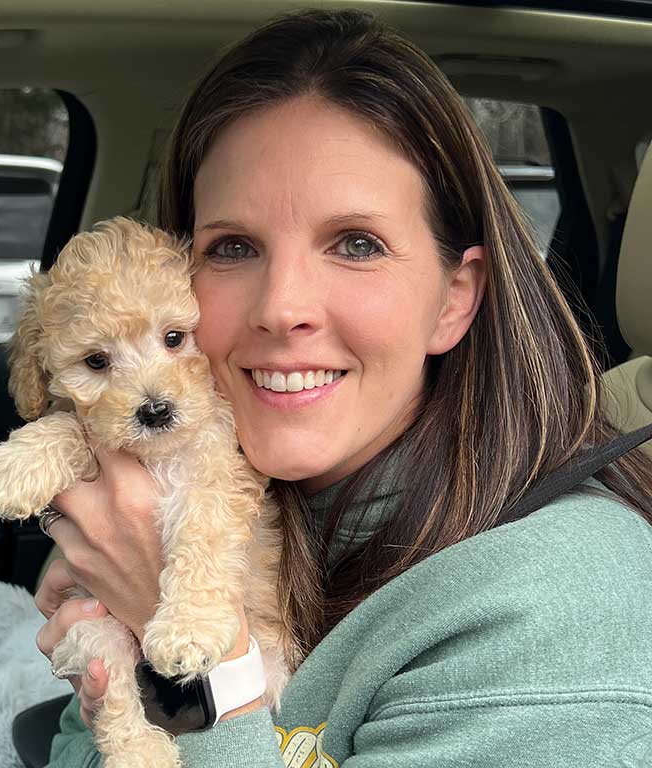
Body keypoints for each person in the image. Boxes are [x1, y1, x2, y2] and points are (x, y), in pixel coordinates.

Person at [34, 9, 652, 767]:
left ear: (454, 298)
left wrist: (204, 664)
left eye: (357, 244)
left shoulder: (563, 609)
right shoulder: (218, 493)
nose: (281, 307)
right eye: (233, 247)